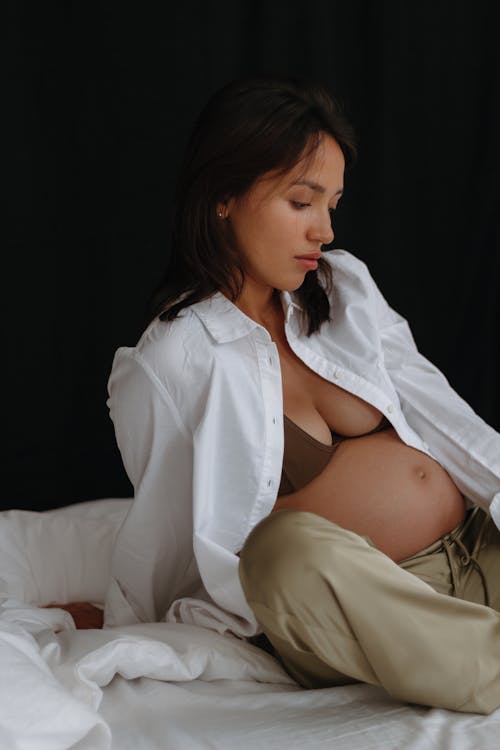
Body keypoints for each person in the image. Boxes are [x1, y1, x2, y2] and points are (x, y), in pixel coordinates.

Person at [71, 75, 500, 712]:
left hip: (475, 551)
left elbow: (443, 416)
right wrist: (122, 622)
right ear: (223, 196)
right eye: (301, 203)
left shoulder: (343, 286)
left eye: (332, 204)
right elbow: (162, 529)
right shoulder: (170, 359)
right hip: (350, 609)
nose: (323, 230)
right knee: (278, 551)